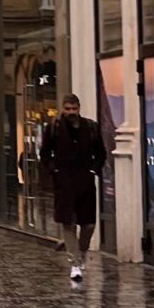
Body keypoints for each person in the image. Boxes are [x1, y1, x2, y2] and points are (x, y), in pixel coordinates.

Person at [40, 93, 106, 282]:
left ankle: (82, 251)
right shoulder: (54, 128)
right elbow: (45, 153)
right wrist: (55, 170)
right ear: (63, 108)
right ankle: (74, 264)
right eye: (67, 109)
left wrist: (94, 170)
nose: (71, 112)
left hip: (85, 181)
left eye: (74, 109)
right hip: (64, 182)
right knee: (68, 223)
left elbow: (100, 153)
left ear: (79, 108)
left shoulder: (91, 127)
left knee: (89, 224)